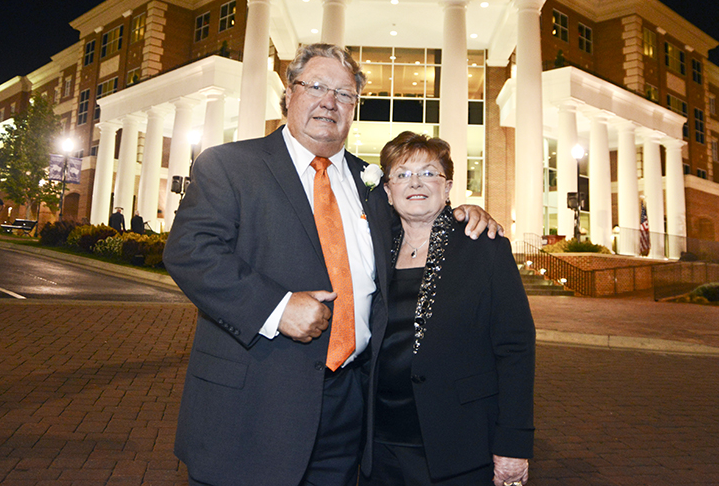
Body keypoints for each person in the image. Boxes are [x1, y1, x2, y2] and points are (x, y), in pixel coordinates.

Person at [162, 43, 500, 486]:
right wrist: (276, 308)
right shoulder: (230, 165)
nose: (329, 101)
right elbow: (190, 249)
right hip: (254, 405)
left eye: (344, 94)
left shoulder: (374, 186)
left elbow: (418, 226)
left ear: (354, 107)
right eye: (316, 86)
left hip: (349, 405)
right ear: (289, 93)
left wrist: (464, 214)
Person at [361, 132, 535, 486]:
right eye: (403, 174)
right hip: (379, 441)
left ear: (448, 186)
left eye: (429, 173)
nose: (416, 183)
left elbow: (515, 347)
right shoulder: (374, 247)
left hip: (458, 440)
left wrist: (513, 442)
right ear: (388, 190)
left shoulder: (483, 246)